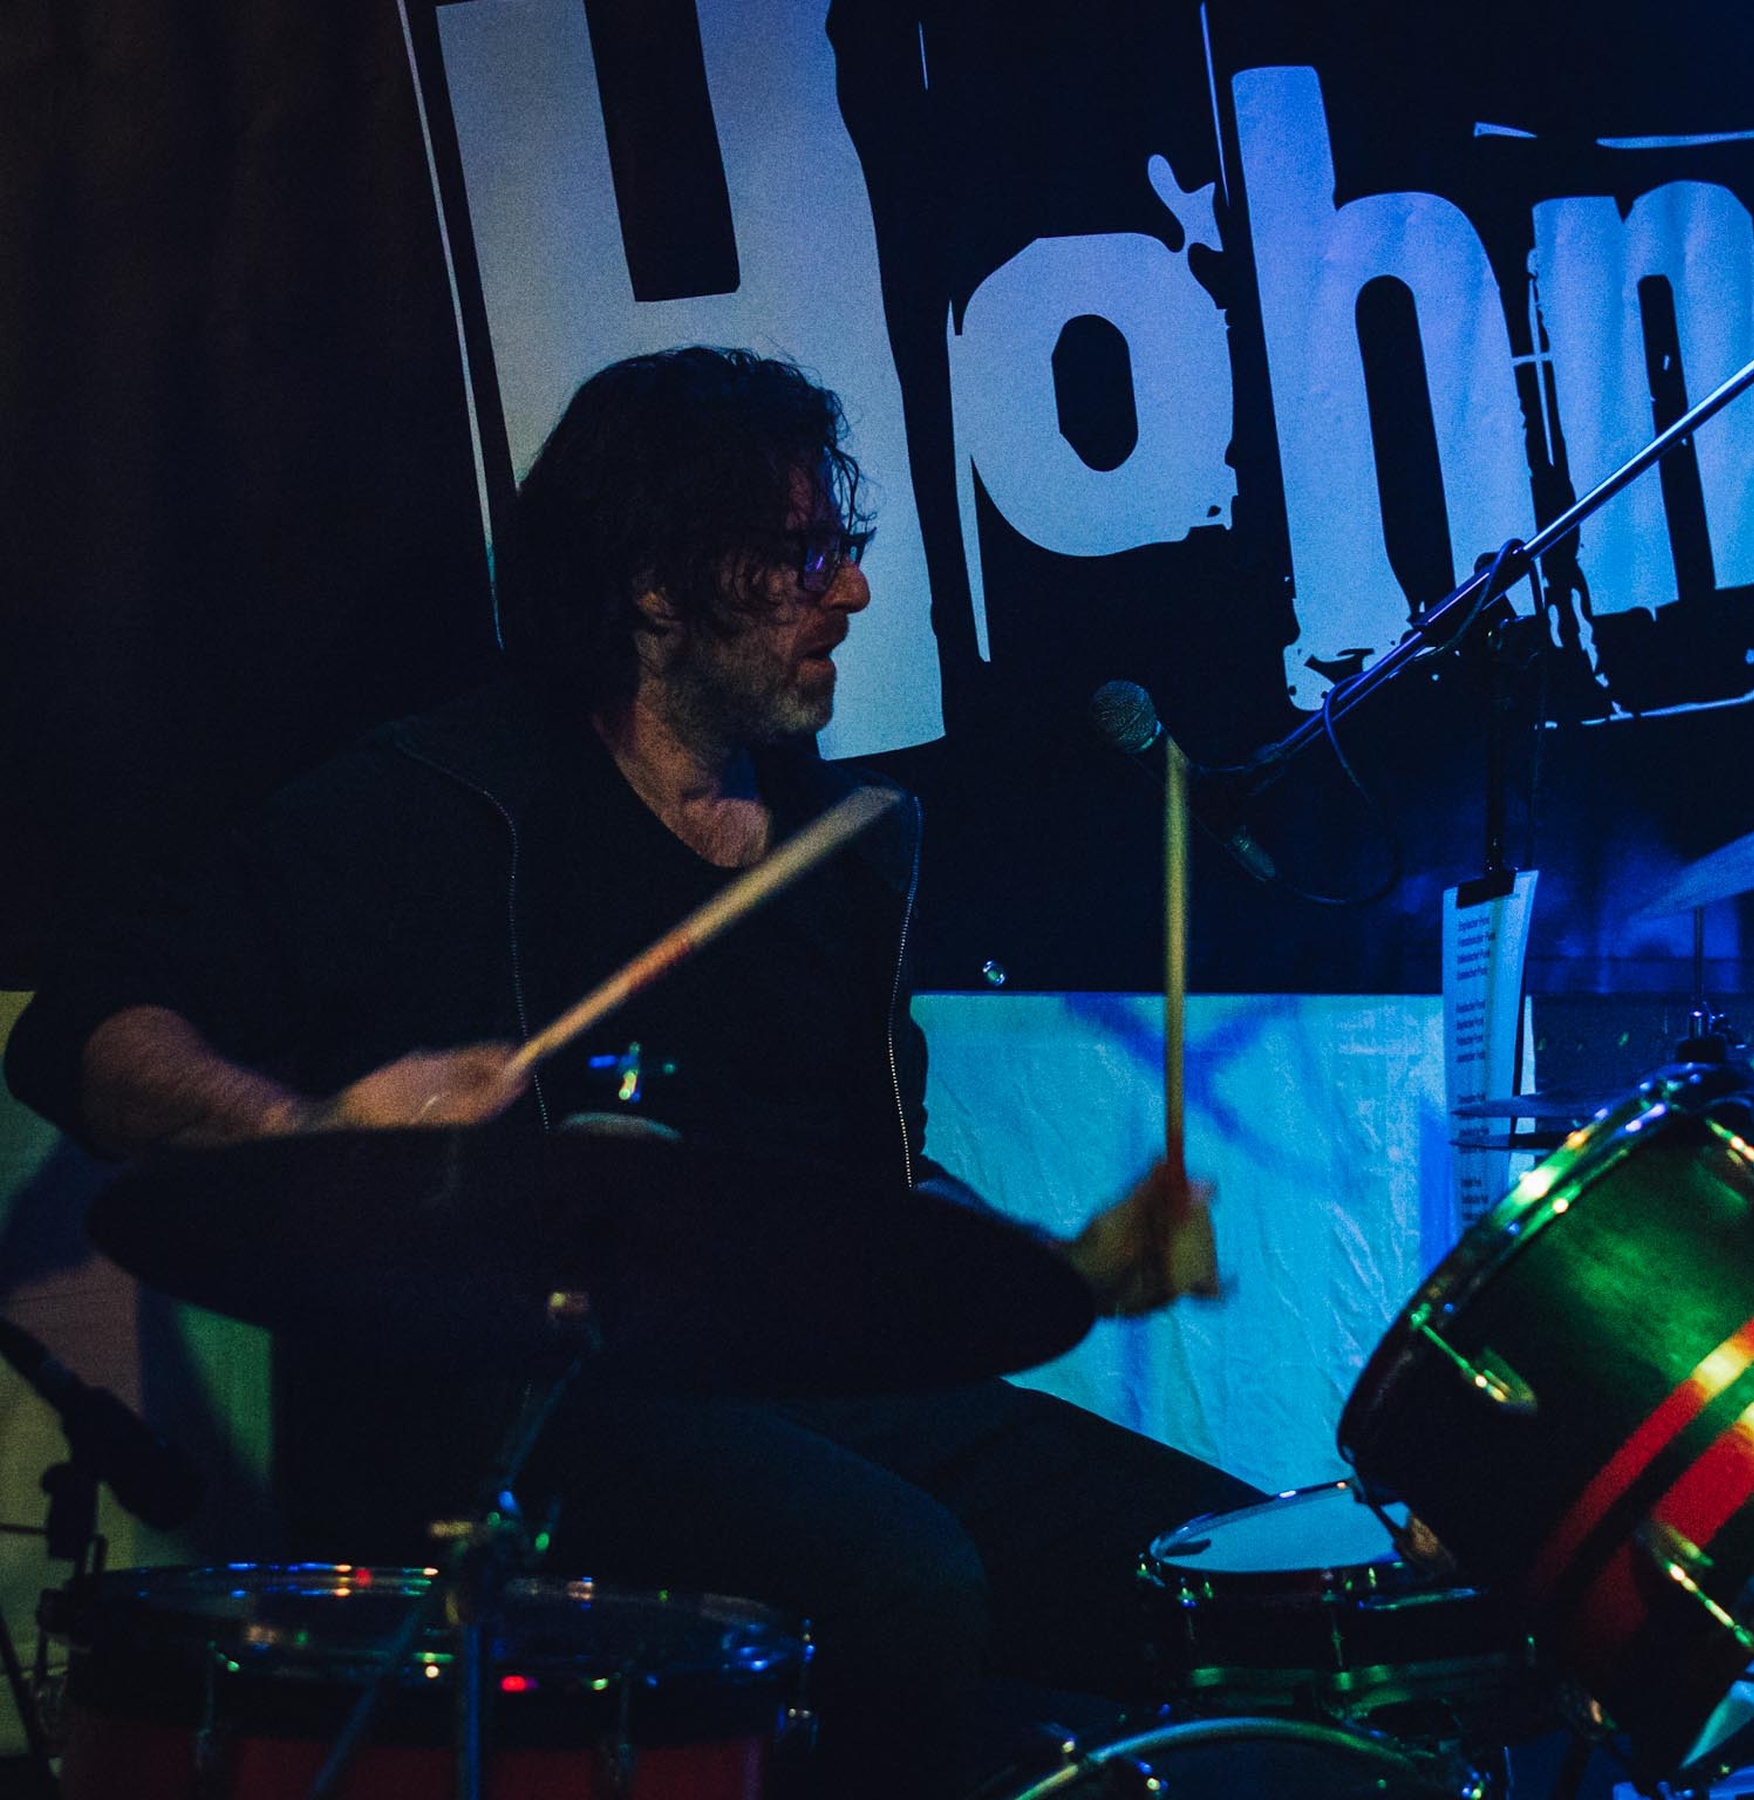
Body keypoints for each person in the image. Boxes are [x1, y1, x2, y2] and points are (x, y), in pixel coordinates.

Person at [5, 345, 1261, 1794]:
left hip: (810, 1386)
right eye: (802, 555)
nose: (851, 590)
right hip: (517, 1407)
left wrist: (1059, 1266)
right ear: (658, 586)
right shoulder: (430, 805)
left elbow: (868, 1200)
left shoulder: (843, 853)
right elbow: (82, 1029)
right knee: (903, 1578)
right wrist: (312, 1133)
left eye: (841, 548)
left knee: (1217, 1576)